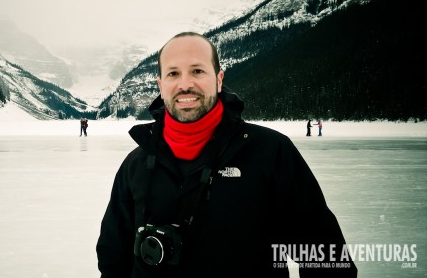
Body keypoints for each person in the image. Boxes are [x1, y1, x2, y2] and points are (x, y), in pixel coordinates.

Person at [96, 32, 356, 277]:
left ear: (219, 79)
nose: (185, 84)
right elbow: (113, 259)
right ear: (161, 85)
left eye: (197, 71)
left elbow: (326, 258)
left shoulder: (270, 152)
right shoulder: (136, 165)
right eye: (174, 73)